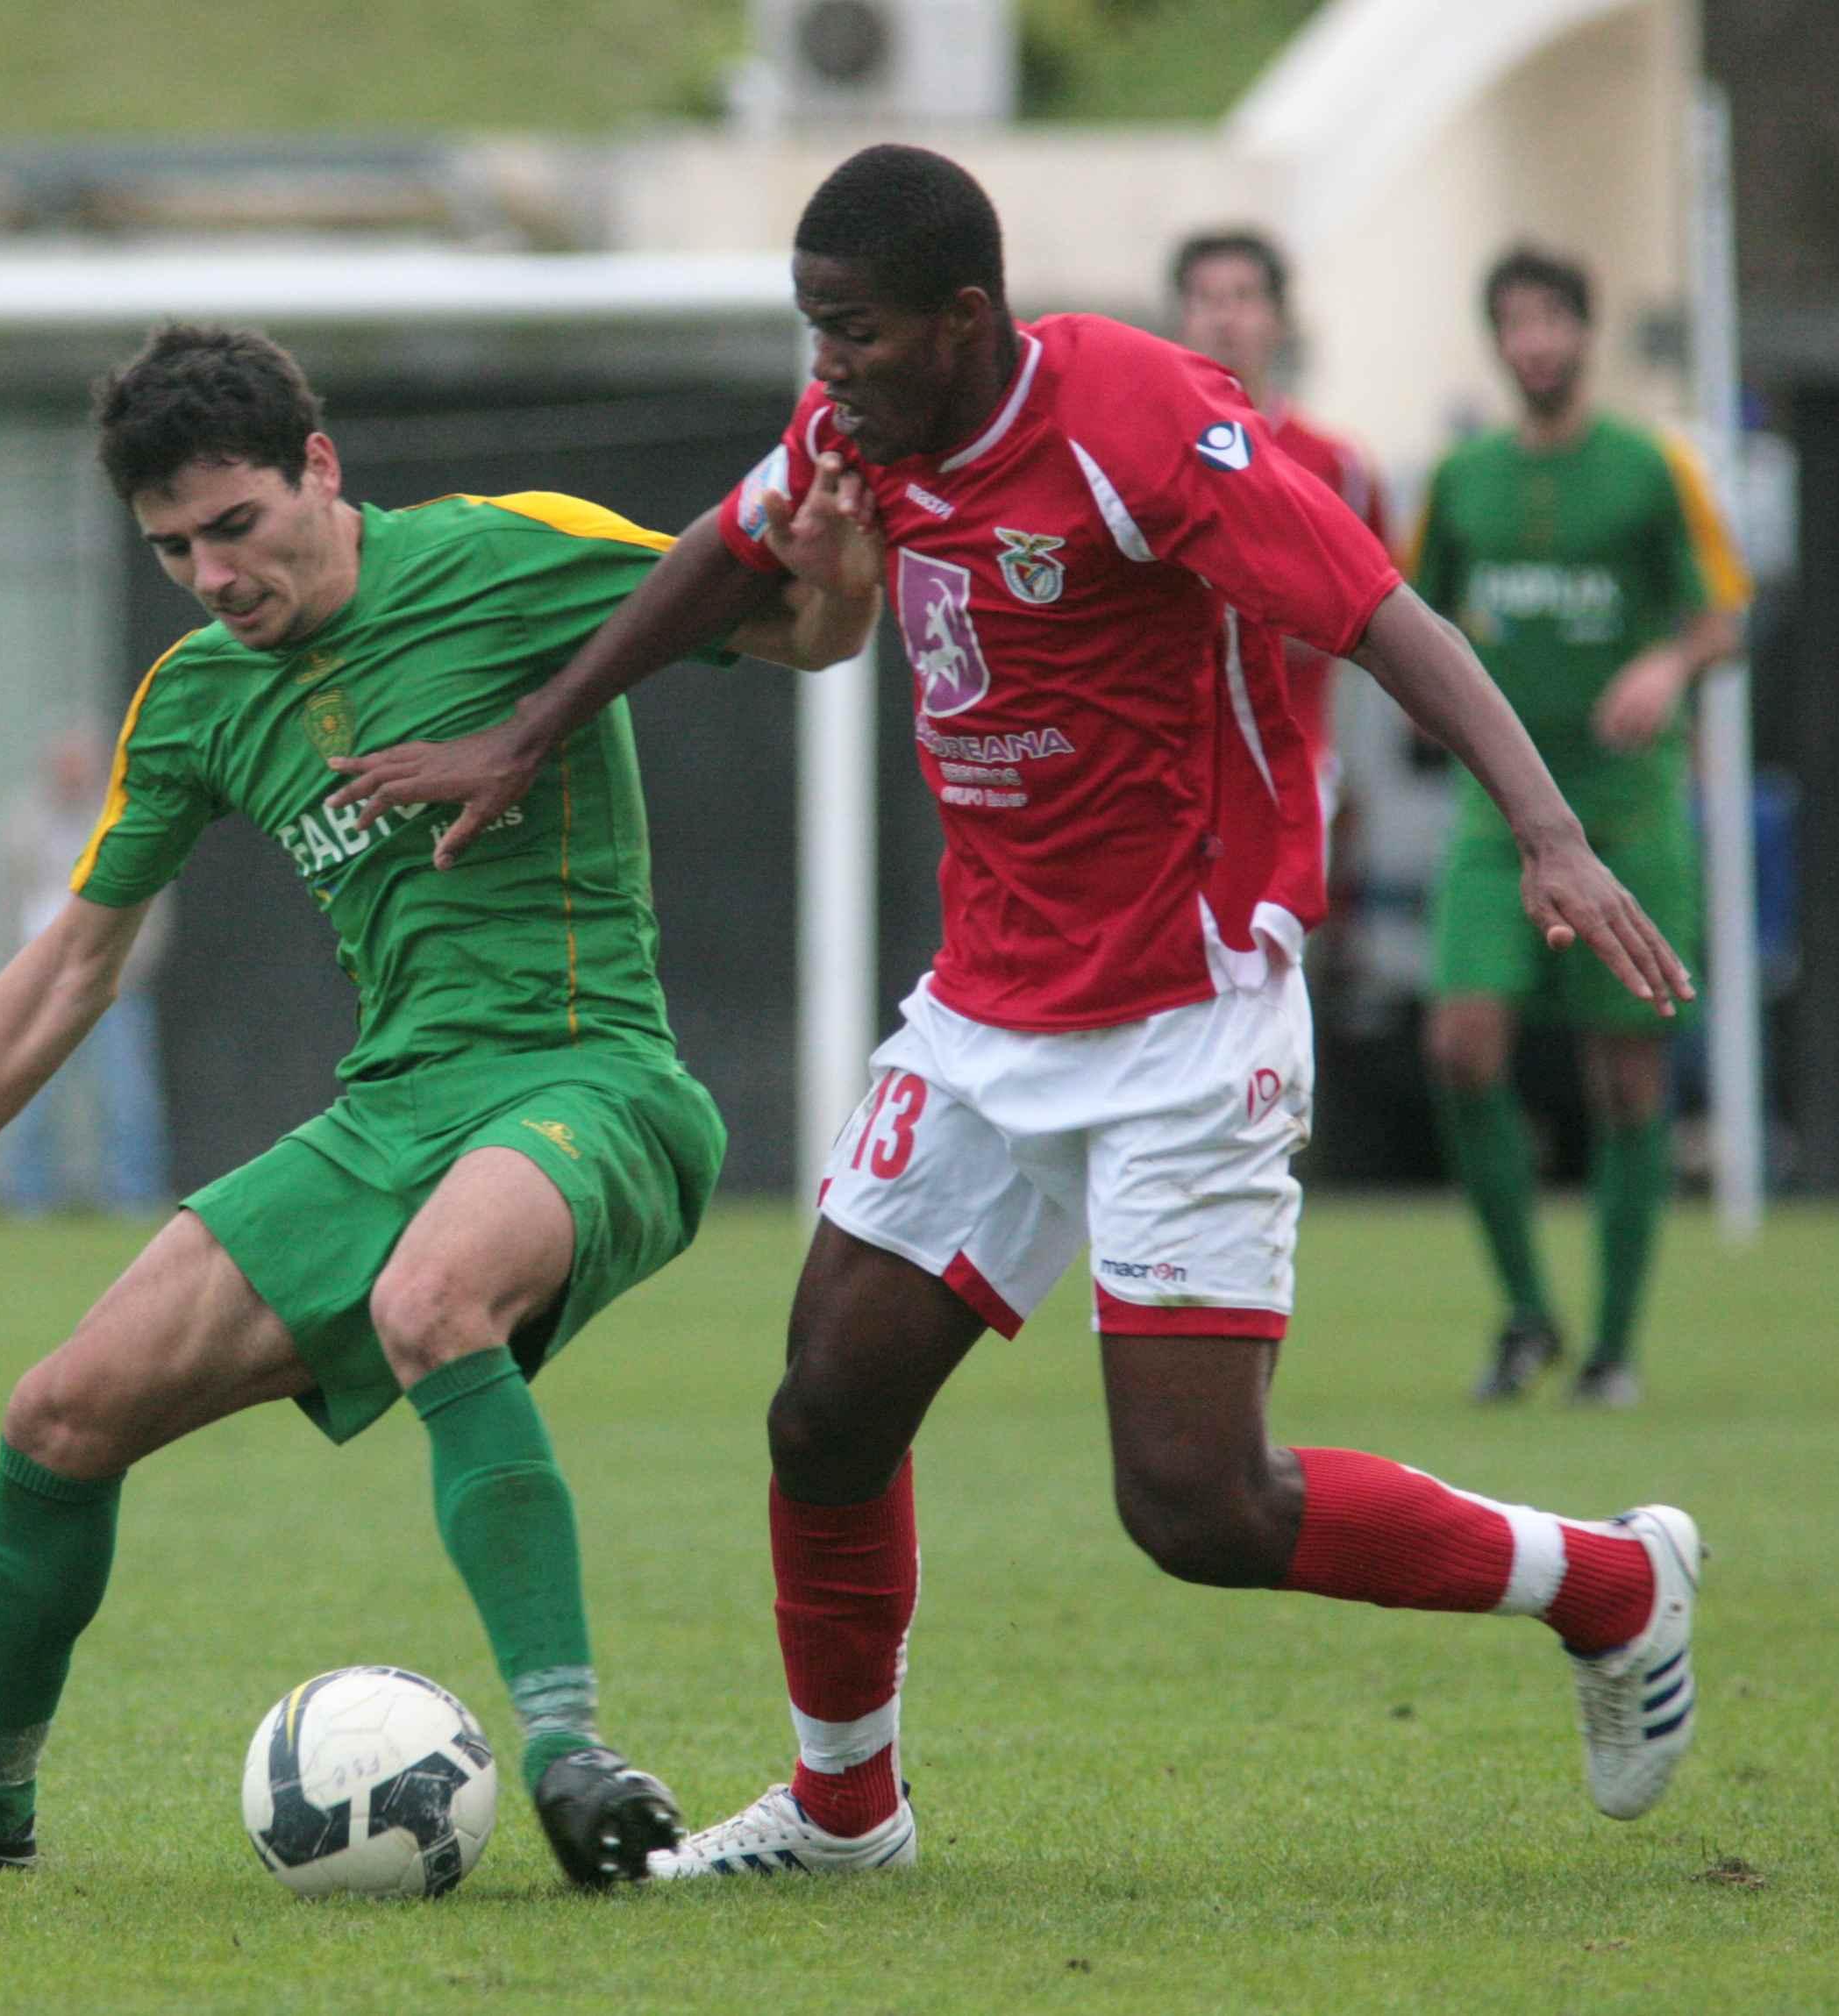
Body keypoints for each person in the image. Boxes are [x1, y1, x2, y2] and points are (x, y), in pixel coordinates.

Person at [328, 146, 1708, 1880]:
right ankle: (845, 1813)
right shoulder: (863, 430)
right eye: (811, 329)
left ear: (964, 320)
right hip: (987, 1012)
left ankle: (1610, 1582)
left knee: (1196, 1510)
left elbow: (1379, 611)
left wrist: (1550, 832)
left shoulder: (1139, 425)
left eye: (856, 332)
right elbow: (721, 547)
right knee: (823, 1409)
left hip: (1187, 1013)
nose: (826, 367)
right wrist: (527, 734)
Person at [0, 324, 880, 1884]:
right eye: (169, 547)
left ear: (321, 470)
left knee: (434, 1297)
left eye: (235, 524)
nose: (211, 574)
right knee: (57, 1416)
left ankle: (569, 1755)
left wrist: (842, 567)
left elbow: (801, 635)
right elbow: (72, 962)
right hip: (390, 1115)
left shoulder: (505, 555)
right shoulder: (200, 695)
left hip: (589, 1075)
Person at [1412, 246, 1750, 1410]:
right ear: (1494, 339)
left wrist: (1663, 661)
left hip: (1625, 806)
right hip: (1493, 813)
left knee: (1626, 1078)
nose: (1534, 342)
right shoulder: (1459, 479)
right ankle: (1522, 1313)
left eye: (1552, 319)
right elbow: (1411, 619)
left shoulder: (1651, 468)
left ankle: (1610, 1345)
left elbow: (1722, 610)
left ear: (1584, 333)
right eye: (1514, 322)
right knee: (1458, 1045)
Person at [1169, 228, 1390, 834]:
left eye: (1242, 296)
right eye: (1205, 298)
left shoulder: (1335, 464)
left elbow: (1371, 615)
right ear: (1181, 316)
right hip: (1167, 773)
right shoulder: (1145, 455)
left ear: (1278, 318)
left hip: (1291, 762)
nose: (1224, 318)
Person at [0, 727, 173, 1215]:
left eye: (81, 763)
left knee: (127, 1097)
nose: (72, 773)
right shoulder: (23, 824)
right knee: (28, 1095)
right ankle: (28, 1200)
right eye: (65, 762)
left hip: (113, 982)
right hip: (42, 984)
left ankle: (133, 1197)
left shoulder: (120, 818)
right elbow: (6, 900)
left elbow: (154, 899)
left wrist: (129, 964)